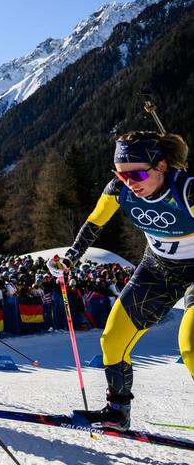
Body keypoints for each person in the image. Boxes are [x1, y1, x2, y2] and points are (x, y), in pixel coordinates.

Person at [51, 131, 194, 431]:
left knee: (190, 345)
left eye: (139, 172)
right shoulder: (120, 189)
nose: (130, 181)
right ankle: (118, 412)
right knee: (112, 340)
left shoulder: (186, 191)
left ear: (162, 166)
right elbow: (95, 222)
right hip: (157, 269)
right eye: (121, 173)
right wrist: (70, 258)